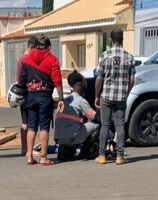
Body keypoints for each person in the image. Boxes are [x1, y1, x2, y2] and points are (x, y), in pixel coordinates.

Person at [18, 35, 64, 166]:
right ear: (49, 47)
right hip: (45, 96)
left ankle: (29, 157)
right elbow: (57, 80)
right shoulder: (52, 60)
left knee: (31, 126)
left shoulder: (27, 60)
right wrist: (61, 98)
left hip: (30, 96)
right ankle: (43, 157)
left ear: (36, 46)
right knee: (44, 127)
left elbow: (22, 81)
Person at [94, 28, 136, 165]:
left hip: (106, 95)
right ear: (122, 40)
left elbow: (99, 78)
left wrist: (97, 95)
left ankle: (102, 155)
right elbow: (132, 79)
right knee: (120, 126)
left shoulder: (104, 55)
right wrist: (127, 92)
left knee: (105, 125)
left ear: (111, 40)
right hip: (121, 96)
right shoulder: (129, 57)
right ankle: (120, 156)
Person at [54, 81, 100, 160]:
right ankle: (85, 152)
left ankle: (64, 151)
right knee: (96, 125)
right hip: (71, 137)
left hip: (58, 138)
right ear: (83, 93)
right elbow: (94, 117)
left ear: (72, 90)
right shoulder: (81, 100)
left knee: (71, 126)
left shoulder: (64, 100)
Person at [16, 36, 38, 156]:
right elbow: (23, 79)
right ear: (32, 47)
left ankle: (25, 148)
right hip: (26, 94)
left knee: (26, 122)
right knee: (28, 123)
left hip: (23, 94)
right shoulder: (26, 59)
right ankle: (27, 149)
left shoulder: (22, 58)